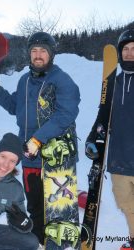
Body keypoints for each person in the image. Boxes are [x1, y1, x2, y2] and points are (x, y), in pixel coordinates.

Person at [0, 32, 81, 245]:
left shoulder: (61, 80)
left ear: (51, 54)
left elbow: (65, 114)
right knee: (35, 208)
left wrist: (37, 139)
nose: (38, 55)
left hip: (57, 159)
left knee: (58, 211)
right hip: (30, 158)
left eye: (43, 51)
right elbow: (13, 107)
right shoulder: (24, 81)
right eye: (34, 51)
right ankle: (38, 244)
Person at [85, 29, 134, 249]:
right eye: (126, 49)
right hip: (119, 160)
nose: (130, 53)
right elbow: (103, 115)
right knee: (125, 204)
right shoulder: (113, 82)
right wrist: (92, 137)